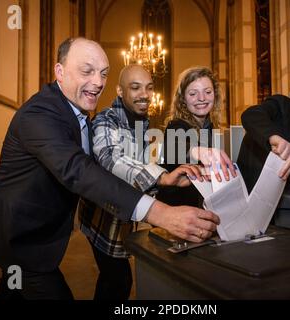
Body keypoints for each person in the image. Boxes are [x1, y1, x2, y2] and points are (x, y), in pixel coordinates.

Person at [0, 38, 221, 300]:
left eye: (103, 74)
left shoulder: (78, 112)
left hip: (44, 229)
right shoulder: (40, 113)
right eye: (86, 71)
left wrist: (164, 176)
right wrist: (161, 213)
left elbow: (136, 159)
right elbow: (81, 169)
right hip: (16, 232)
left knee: (11, 291)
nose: (98, 82)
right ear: (60, 72)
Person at [80, 64, 205, 300]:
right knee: (118, 281)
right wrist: (161, 176)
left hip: (123, 220)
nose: (144, 94)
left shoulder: (142, 124)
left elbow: (139, 169)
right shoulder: (106, 119)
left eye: (149, 88)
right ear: (119, 91)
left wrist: (176, 171)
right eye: (135, 87)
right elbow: (110, 157)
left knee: (115, 281)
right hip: (102, 222)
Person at [157, 66, 228, 207]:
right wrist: (196, 151)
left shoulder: (209, 127)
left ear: (215, 95)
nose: (202, 98)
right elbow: (174, 147)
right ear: (183, 99)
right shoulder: (176, 125)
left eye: (207, 92)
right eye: (193, 93)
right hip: (174, 210)